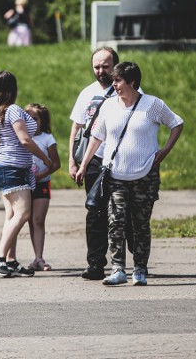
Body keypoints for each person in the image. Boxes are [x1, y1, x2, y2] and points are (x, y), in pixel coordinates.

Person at [76, 62, 183, 286]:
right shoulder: (108, 106)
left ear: (132, 82)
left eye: (118, 80)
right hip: (116, 175)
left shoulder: (152, 104)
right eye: (113, 80)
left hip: (145, 175)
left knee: (140, 224)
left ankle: (140, 270)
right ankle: (117, 269)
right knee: (115, 222)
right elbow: (97, 136)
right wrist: (84, 164)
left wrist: (164, 151)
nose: (113, 84)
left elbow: (176, 123)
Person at [0, 72, 53, 278]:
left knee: (12, 215)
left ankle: (10, 261)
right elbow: (25, 140)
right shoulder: (12, 109)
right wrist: (45, 159)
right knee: (23, 214)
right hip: (13, 167)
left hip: (2, 166)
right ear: (13, 89)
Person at [68, 46, 119, 280]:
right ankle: (96, 263)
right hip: (94, 162)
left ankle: (134, 262)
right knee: (95, 211)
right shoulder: (86, 93)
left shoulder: (127, 90)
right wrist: (73, 161)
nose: (100, 71)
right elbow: (77, 128)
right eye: (96, 66)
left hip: (120, 161)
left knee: (122, 214)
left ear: (115, 66)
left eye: (105, 66)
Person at [25, 103, 60, 271]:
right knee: (26, 220)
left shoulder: (47, 139)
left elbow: (56, 164)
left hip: (42, 183)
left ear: (42, 121)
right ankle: (29, 258)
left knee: (37, 220)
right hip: (24, 185)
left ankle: (39, 257)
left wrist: (40, 175)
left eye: (35, 118)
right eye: (27, 118)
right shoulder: (22, 137)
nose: (30, 121)